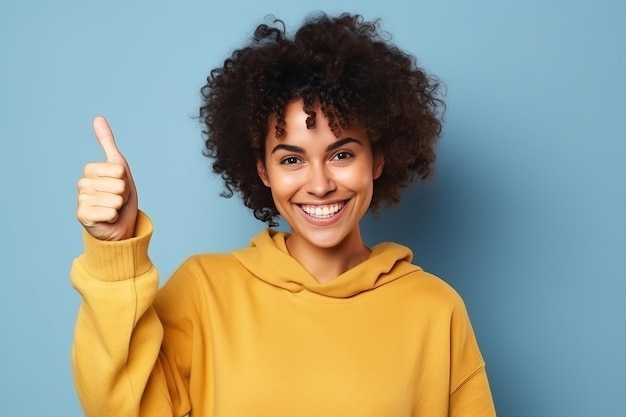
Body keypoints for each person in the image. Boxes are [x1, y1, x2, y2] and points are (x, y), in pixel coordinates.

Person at [71, 12, 496, 417]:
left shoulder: (434, 309)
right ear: (263, 170)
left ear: (378, 160)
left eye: (341, 154)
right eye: (292, 160)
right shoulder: (205, 292)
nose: (319, 183)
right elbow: (123, 406)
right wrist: (114, 251)